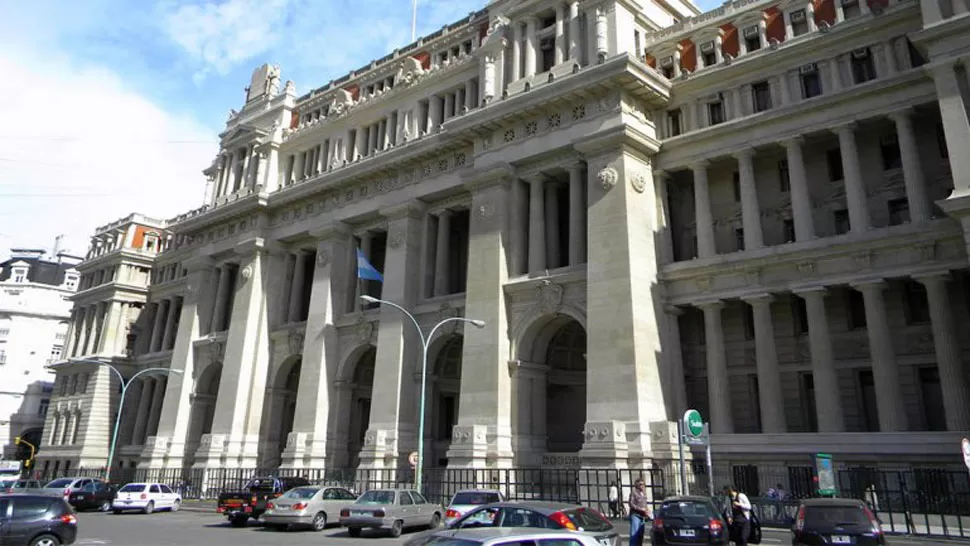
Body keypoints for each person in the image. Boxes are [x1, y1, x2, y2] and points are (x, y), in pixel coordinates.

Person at [628, 478, 652, 546]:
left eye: (644, 484)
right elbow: (631, 504)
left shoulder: (643, 493)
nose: (642, 486)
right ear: (637, 485)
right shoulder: (634, 492)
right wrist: (640, 509)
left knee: (641, 534)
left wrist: (647, 511)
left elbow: (645, 504)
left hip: (643, 516)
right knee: (634, 534)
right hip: (635, 515)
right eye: (641, 484)